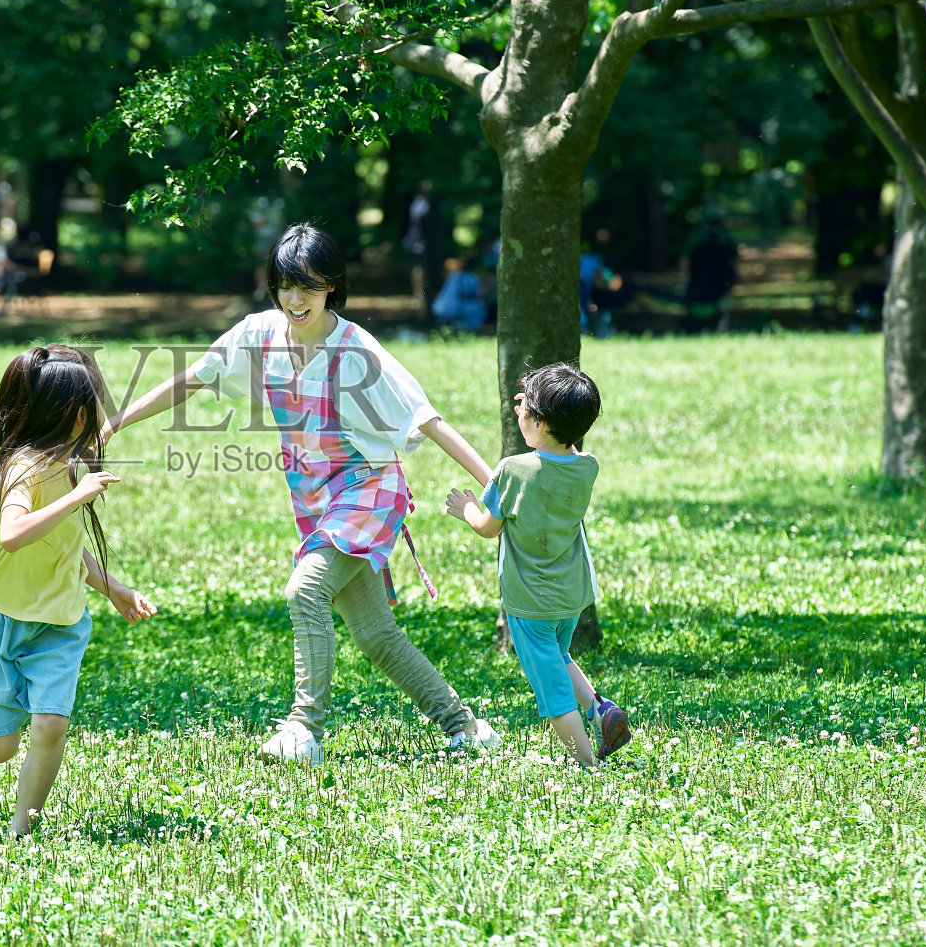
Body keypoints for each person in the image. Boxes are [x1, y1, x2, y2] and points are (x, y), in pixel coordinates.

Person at [105, 223, 500, 765]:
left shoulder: (356, 349)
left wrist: (494, 484)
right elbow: (193, 377)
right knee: (376, 636)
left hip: (368, 492)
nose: (295, 300)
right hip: (316, 502)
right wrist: (114, 424)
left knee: (304, 592)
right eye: (286, 286)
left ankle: (303, 730)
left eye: (308, 287)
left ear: (331, 286)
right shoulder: (261, 334)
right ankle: (468, 730)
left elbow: (427, 419)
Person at [0, 345, 156, 837]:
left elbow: (67, 546)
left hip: (62, 623)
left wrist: (113, 589)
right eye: (94, 402)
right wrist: (76, 496)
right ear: (73, 412)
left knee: (51, 725)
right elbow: (12, 534)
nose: (101, 411)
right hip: (4, 621)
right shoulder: (24, 466)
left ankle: (21, 829)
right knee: (0, 750)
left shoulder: (76, 461)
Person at [445, 363, 630, 767]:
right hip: (570, 595)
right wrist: (538, 407)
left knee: (553, 693)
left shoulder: (512, 471)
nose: (520, 412)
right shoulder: (587, 466)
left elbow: (488, 528)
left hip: (531, 603)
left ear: (541, 422)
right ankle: (601, 709)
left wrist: (467, 508)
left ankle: (588, 765)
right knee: (558, 657)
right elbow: (560, 445)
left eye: (525, 408)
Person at [684, 221, 737, 333]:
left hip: (697, 295)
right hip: (714, 295)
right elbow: (731, 274)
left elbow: (691, 272)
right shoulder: (724, 249)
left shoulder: (698, 248)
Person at [430, 257, 486, 331]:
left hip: (440, 309)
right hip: (454, 309)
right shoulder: (465, 277)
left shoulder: (451, 278)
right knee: (478, 306)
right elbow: (473, 292)